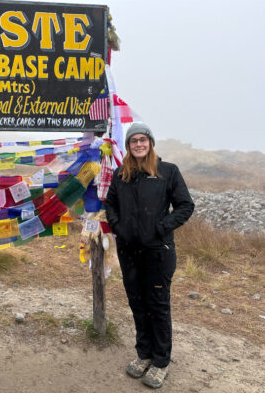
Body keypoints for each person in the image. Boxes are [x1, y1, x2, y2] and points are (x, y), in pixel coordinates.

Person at [104, 123, 194, 389]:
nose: (139, 144)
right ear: (129, 146)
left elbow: (185, 205)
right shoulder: (122, 174)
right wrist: (118, 227)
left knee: (157, 305)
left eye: (143, 140)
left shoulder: (168, 171)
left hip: (158, 252)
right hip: (129, 252)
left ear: (150, 143)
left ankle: (161, 362)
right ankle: (144, 354)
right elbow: (111, 203)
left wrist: (161, 227)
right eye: (134, 141)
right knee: (137, 303)